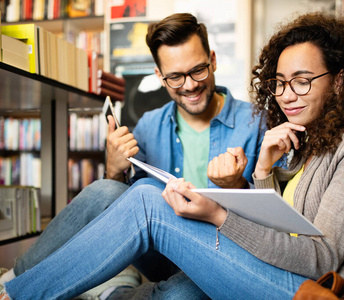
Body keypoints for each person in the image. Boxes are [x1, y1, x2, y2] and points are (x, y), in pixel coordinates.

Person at [0, 12, 344, 300]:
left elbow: (318, 257)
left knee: (151, 210)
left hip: (320, 291)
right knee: (119, 192)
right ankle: (26, 286)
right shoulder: (307, 144)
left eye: (303, 81)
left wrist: (220, 209)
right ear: (159, 76)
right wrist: (262, 172)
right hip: (263, 268)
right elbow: (282, 230)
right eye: (279, 83)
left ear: (340, 79)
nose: (288, 94)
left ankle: (23, 295)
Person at [0, 13, 266, 299]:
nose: (189, 85)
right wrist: (114, 171)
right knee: (105, 190)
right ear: (159, 77)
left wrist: (237, 186)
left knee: (182, 296)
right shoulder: (150, 125)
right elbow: (126, 214)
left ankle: (115, 292)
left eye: (198, 70)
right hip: (162, 256)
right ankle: (11, 281)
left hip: (219, 256)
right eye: (175, 77)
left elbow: (272, 222)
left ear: (212, 60)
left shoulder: (256, 122)